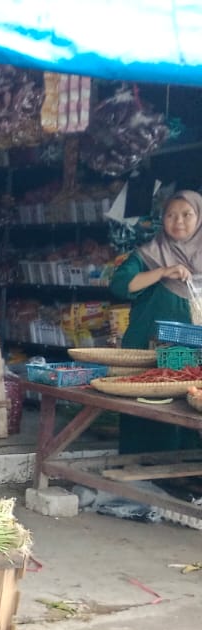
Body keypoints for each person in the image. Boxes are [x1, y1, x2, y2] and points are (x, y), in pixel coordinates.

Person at [110, 190, 202, 455]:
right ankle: (141, 465)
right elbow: (120, 285)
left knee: (189, 406)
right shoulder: (148, 255)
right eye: (171, 215)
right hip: (147, 349)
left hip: (191, 353)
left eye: (187, 214)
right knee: (147, 408)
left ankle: (185, 470)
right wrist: (162, 272)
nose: (178, 221)